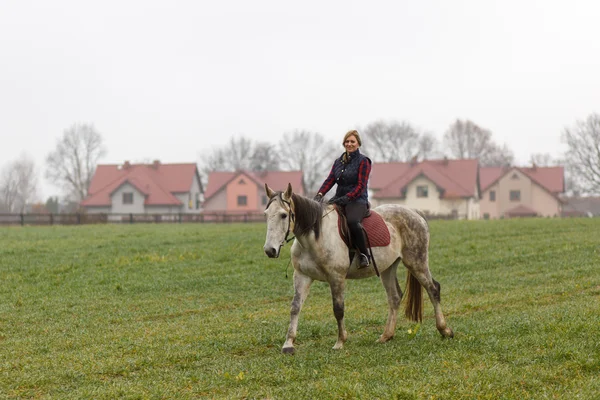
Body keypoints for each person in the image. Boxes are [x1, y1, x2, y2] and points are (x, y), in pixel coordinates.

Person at [314, 130, 372, 268]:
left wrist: (348, 198)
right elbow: (330, 180)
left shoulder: (364, 161)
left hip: (357, 200)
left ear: (358, 144)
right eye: (347, 141)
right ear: (344, 143)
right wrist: (320, 194)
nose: (349, 144)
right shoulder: (338, 161)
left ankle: (364, 255)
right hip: (339, 198)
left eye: (352, 141)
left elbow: (361, 186)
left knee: (352, 222)